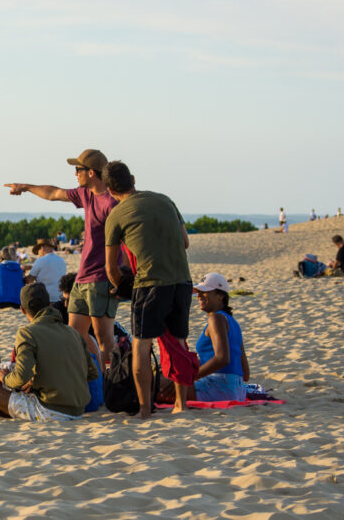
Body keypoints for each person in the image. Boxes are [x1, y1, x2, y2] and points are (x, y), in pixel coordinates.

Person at [4, 148, 123, 368]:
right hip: (83, 277)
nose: (75, 173)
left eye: (79, 169)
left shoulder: (112, 203)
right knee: (74, 332)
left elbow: (125, 242)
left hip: (102, 278)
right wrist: (26, 188)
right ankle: (93, 374)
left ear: (92, 173)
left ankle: (110, 385)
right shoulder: (86, 194)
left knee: (104, 336)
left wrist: (118, 277)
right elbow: (54, 193)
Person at [102, 161, 192, 418]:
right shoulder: (165, 200)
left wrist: (125, 288)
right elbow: (185, 242)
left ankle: (144, 409)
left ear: (109, 189)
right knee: (179, 343)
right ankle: (180, 404)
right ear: (132, 178)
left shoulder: (116, 216)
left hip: (149, 284)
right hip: (182, 280)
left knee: (141, 345)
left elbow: (111, 268)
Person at [0, 283, 98, 421]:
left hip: (50, 410)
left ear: (22, 310)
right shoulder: (73, 332)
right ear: (49, 303)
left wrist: (5, 379)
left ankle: (12, 415)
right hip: (79, 411)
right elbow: (92, 373)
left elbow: (20, 377)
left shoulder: (27, 333)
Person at [159, 273, 249, 403]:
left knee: (160, 385)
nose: (199, 296)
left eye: (205, 292)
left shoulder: (216, 319)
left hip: (220, 388)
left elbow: (222, 359)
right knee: (168, 378)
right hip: (238, 391)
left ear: (220, 296)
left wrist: (190, 378)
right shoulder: (233, 323)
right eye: (198, 292)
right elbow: (245, 373)